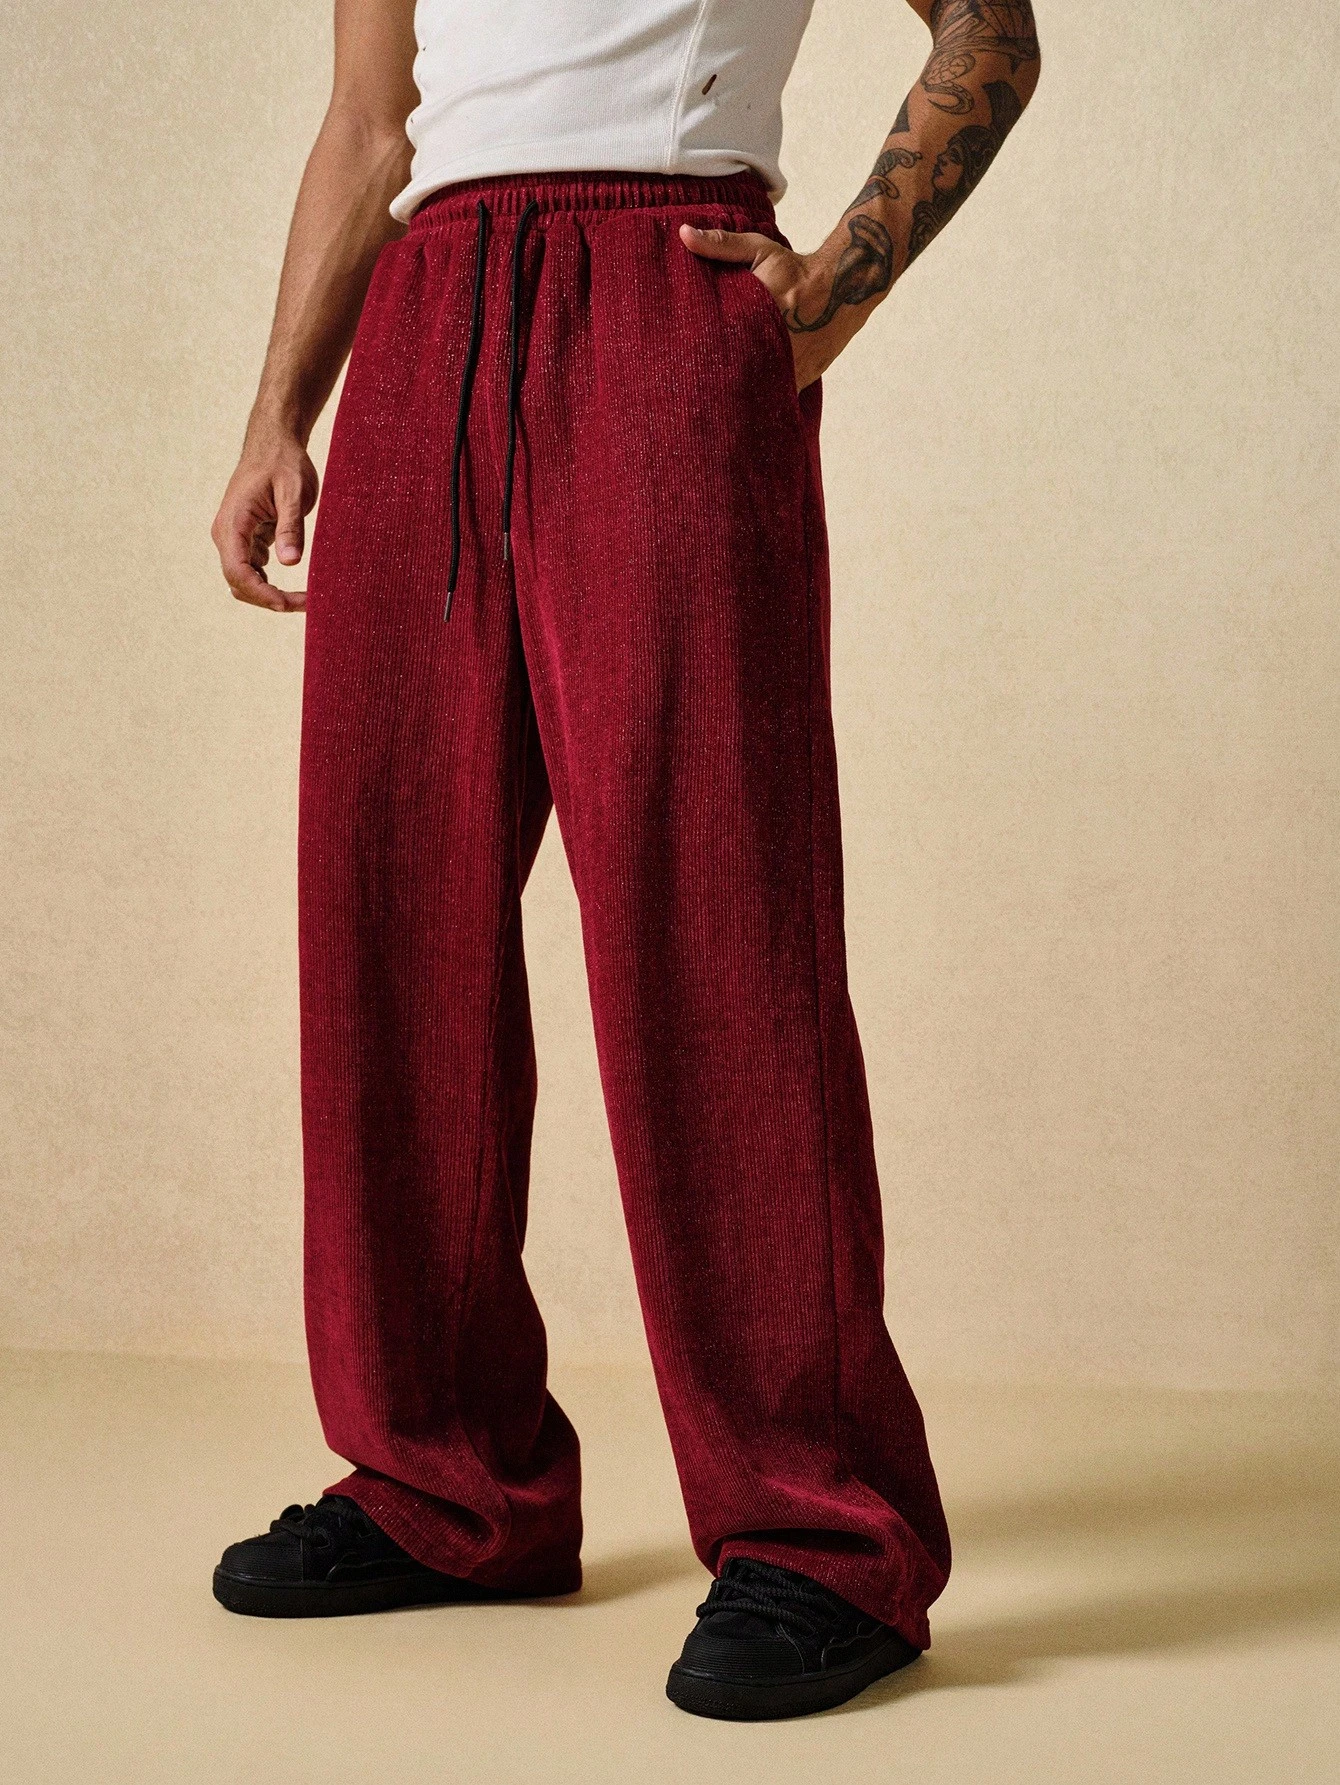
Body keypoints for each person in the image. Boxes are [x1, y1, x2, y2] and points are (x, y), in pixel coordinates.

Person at [209, 0, 1040, 1721]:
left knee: (714, 925)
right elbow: (370, 125)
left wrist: (832, 287)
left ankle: (824, 1536)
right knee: (387, 913)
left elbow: (991, 36)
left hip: (657, 291)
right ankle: (446, 1484)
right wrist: (280, 410)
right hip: (425, 313)